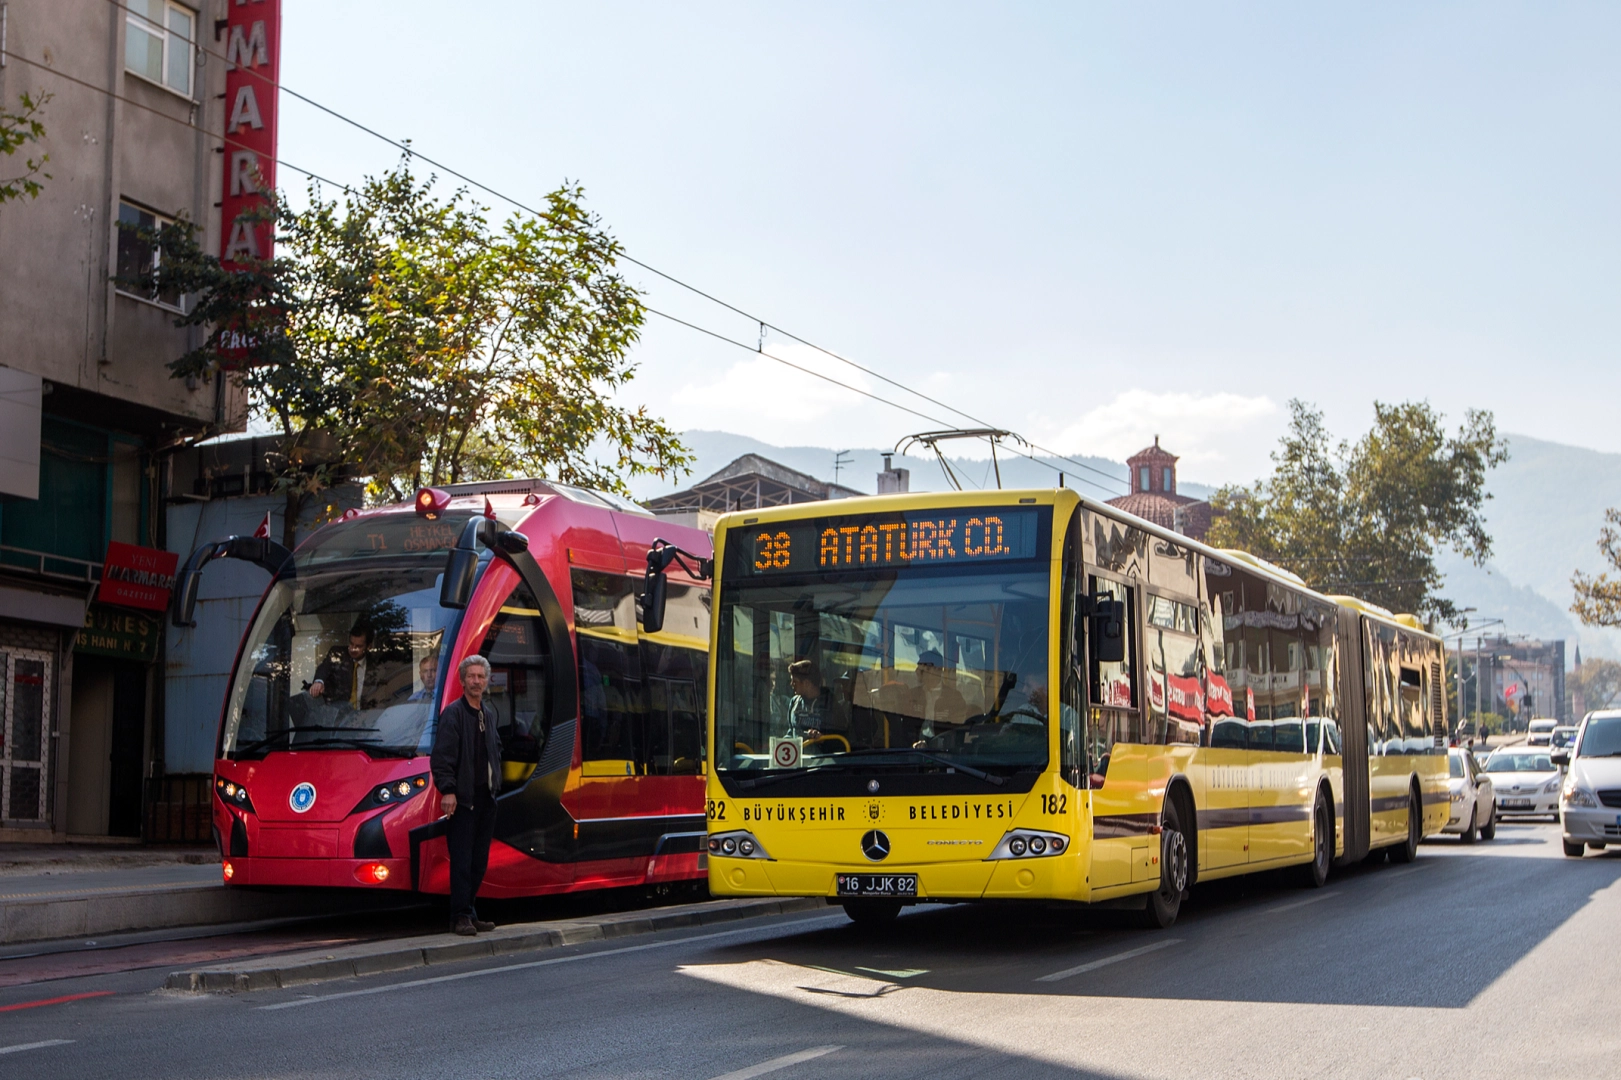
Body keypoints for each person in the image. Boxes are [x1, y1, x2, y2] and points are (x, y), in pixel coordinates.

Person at [430, 654, 503, 936]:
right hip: (462, 800)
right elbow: (442, 757)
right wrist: (448, 790)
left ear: (486, 681)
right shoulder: (453, 713)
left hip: (486, 799)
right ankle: (460, 916)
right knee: (461, 861)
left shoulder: (489, 713)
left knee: (478, 861)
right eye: (471, 676)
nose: (476, 681)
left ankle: (469, 912)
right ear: (462, 680)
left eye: (480, 676)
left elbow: (495, 750)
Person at [909, 650, 968, 745]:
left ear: (938, 670)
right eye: (918, 668)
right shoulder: (912, 695)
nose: (917, 672)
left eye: (923, 670)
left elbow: (957, 732)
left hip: (942, 749)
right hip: (913, 749)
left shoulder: (954, 698)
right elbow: (906, 727)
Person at [310, 626, 377, 709]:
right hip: (339, 713)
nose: (353, 649)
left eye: (358, 646)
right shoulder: (337, 654)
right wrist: (319, 682)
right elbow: (324, 668)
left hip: (365, 714)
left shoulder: (375, 663)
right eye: (351, 644)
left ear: (369, 646)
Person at [786, 659, 826, 739]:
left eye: (795, 681)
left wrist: (822, 738)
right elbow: (791, 731)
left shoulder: (829, 704)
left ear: (807, 683)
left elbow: (836, 739)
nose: (791, 684)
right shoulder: (794, 702)